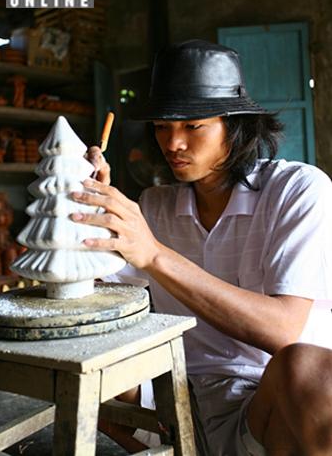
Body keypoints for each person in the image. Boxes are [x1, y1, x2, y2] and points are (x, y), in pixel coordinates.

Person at [71, 40, 332, 456]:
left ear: (235, 125)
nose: (173, 143)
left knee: (311, 371)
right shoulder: (156, 206)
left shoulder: (298, 190)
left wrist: (155, 254)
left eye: (193, 127)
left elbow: (283, 331)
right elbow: (96, 294)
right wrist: (86, 206)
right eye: (161, 126)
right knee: (87, 367)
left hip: (272, 408)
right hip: (178, 404)